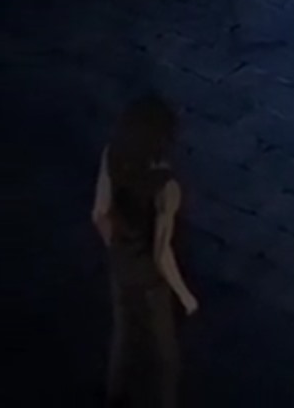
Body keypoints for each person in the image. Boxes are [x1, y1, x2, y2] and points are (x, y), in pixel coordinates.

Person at [91, 95, 197, 408]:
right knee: (166, 356)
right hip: (151, 281)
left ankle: (114, 398)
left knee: (122, 336)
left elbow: (99, 213)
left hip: (121, 266)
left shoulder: (112, 154)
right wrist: (186, 296)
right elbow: (161, 254)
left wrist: (117, 248)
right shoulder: (166, 186)